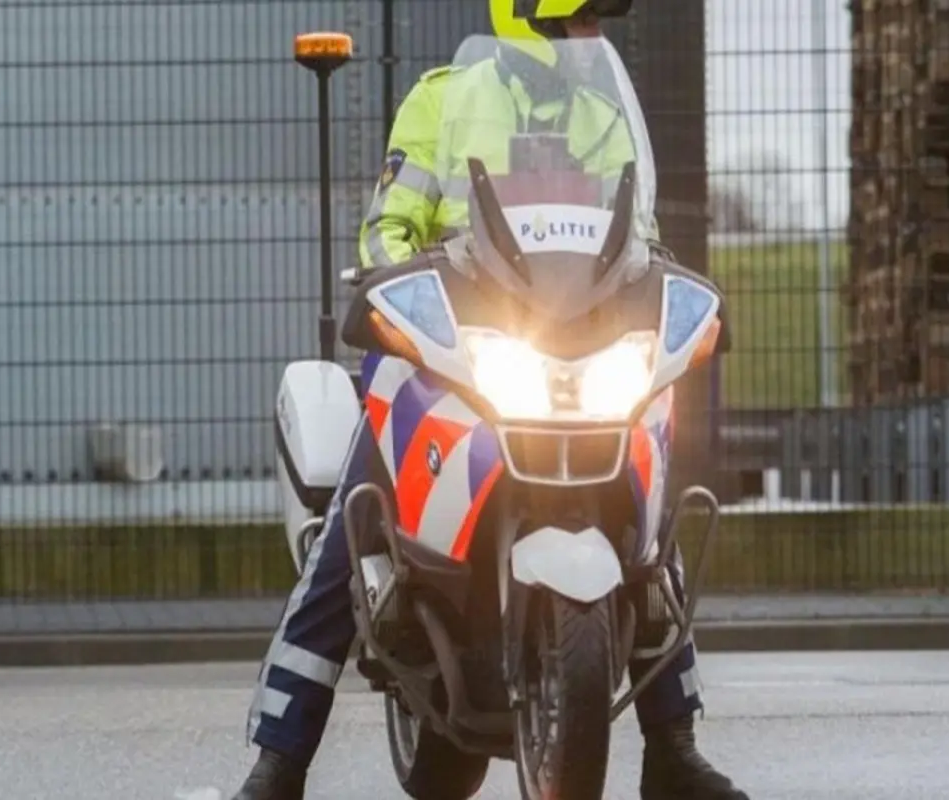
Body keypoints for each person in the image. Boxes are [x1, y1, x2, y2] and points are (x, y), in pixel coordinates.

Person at [229, 2, 751, 799]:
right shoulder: (444, 96)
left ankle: (672, 750)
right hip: (452, 345)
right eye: (581, 23)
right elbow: (387, 229)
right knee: (354, 521)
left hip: (572, 349)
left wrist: (656, 281)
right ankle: (279, 762)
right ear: (528, 19)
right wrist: (400, 286)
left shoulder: (602, 113)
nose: (594, 38)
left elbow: (635, 236)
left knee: (649, 525)